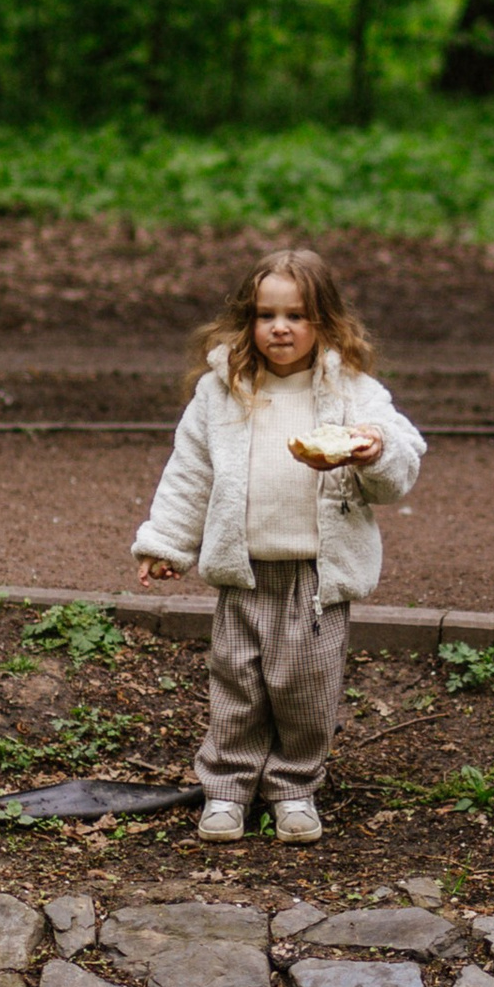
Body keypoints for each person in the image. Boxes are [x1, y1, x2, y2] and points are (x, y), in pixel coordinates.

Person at [133, 249, 423, 844]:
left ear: (325, 322)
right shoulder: (224, 393)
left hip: (316, 579)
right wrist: (166, 543)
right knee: (236, 684)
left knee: (306, 690)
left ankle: (293, 785)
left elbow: (400, 463)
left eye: (296, 314)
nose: (280, 327)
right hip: (245, 573)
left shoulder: (354, 391)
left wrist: (375, 448)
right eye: (266, 315)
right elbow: (190, 472)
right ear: (248, 321)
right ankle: (227, 787)